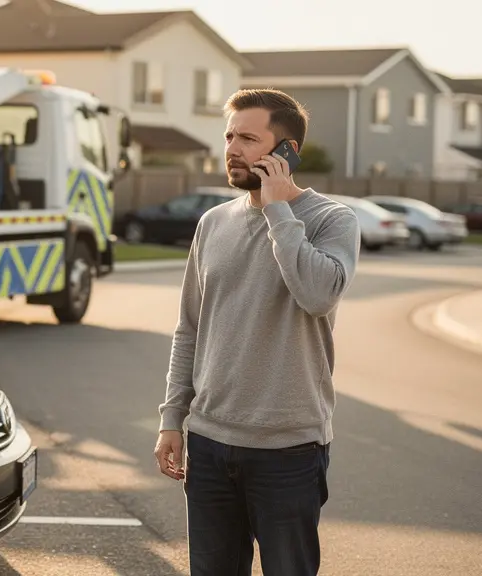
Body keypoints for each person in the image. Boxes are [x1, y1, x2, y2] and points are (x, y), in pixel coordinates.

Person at [153, 88, 361, 576]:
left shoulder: (332, 220)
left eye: (248, 139)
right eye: (230, 136)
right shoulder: (212, 223)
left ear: (286, 151)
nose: (232, 149)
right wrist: (171, 418)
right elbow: (189, 329)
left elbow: (318, 295)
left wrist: (278, 210)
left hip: (288, 449)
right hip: (209, 441)